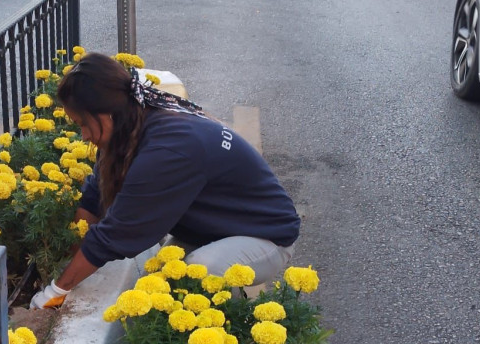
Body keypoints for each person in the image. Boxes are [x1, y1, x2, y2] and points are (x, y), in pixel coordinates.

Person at [30, 53, 300, 309]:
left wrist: (56, 291)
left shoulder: (168, 150)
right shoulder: (134, 119)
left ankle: (226, 341)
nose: (84, 136)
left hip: (265, 237)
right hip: (218, 228)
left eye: (83, 124)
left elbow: (115, 234)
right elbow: (94, 197)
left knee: (196, 272)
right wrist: (67, 260)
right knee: (158, 281)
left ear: (107, 114)